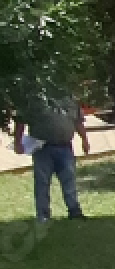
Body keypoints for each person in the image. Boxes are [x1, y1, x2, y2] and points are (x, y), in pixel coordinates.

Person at [13, 94, 90, 223]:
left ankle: (74, 211)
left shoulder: (70, 100)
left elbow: (78, 121)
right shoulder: (35, 98)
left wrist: (84, 140)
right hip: (42, 148)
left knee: (69, 180)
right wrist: (17, 142)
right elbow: (21, 120)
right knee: (42, 183)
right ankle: (43, 215)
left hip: (65, 147)